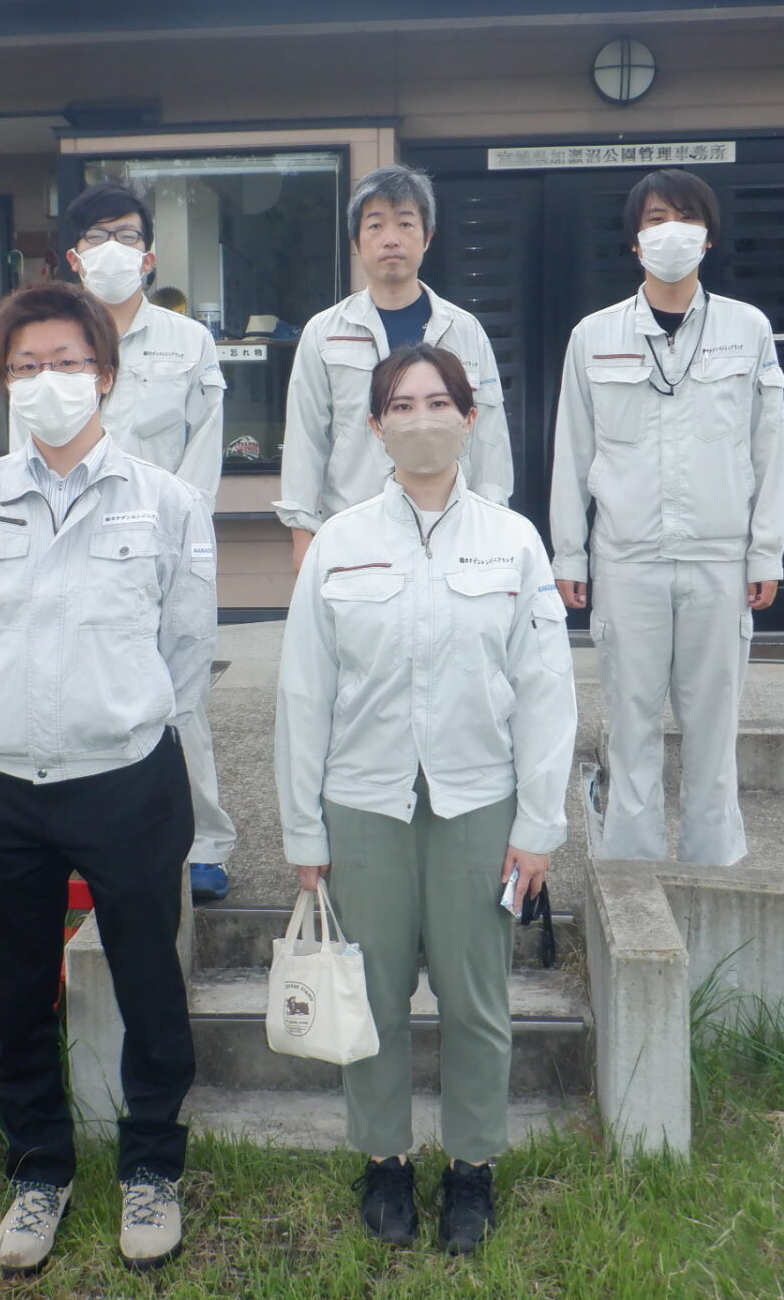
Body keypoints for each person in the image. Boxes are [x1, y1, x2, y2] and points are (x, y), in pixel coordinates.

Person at [277, 345, 575, 1254]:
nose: (421, 419)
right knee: (370, 995)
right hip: (363, 806)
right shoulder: (339, 543)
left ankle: (472, 1168)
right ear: (376, 428)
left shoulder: (513, 541)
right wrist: (303, 830)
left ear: (469, 418)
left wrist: (538, 825)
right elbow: (303, 693)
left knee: (476, 1000)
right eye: (400, 406)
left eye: (438, 402)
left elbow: (546, 689)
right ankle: (385, 1161)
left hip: (477, 806)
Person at [0, 282, 215, 1277]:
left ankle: (151, 1168)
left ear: (104, 373)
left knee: (149, 983)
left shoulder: (166, 501)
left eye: (65, 362)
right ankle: (38, 1172)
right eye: (26, 366)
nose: (46, 381)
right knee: (17, 989)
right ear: (4, 381)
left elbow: (186, 648)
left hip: (126, 777)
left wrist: (123, 713)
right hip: (3, 781)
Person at [549, 168, 784, 865]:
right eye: (656, 219)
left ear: (708, 237)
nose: (671, 231)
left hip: (720, 557)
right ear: (635, 241)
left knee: (714, 729)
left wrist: (766, 551)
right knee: (630, 725)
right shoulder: (593, 336)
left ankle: (715, 868)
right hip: (626, 559)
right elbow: (573, 450)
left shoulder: (747, 329)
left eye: (685, 217)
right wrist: (570, 554)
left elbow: (768, 448)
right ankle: (632, 873)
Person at [10, 182, 238, 905]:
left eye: (129, 236)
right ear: (74, 258)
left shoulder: (188, 342)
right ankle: (98, 841)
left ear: (149, 256)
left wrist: (184, 538)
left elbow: (204, 445)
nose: (114, 249)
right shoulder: (50, 344)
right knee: (85, 688)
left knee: (179, 693)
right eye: (98, 236)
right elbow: (25, 446)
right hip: (74, 542)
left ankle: (203, 844)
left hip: (164, 545)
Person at [274, 163, 513, 572]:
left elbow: (489, 434)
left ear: (428, 237)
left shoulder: (464, 330)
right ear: (356, 241)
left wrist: (494, 521)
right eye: (375, 225)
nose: (391, 239)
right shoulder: (324, 333)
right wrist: (302, 533)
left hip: (452, 527)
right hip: (354, 527)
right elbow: (305, 437)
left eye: (405, 223)